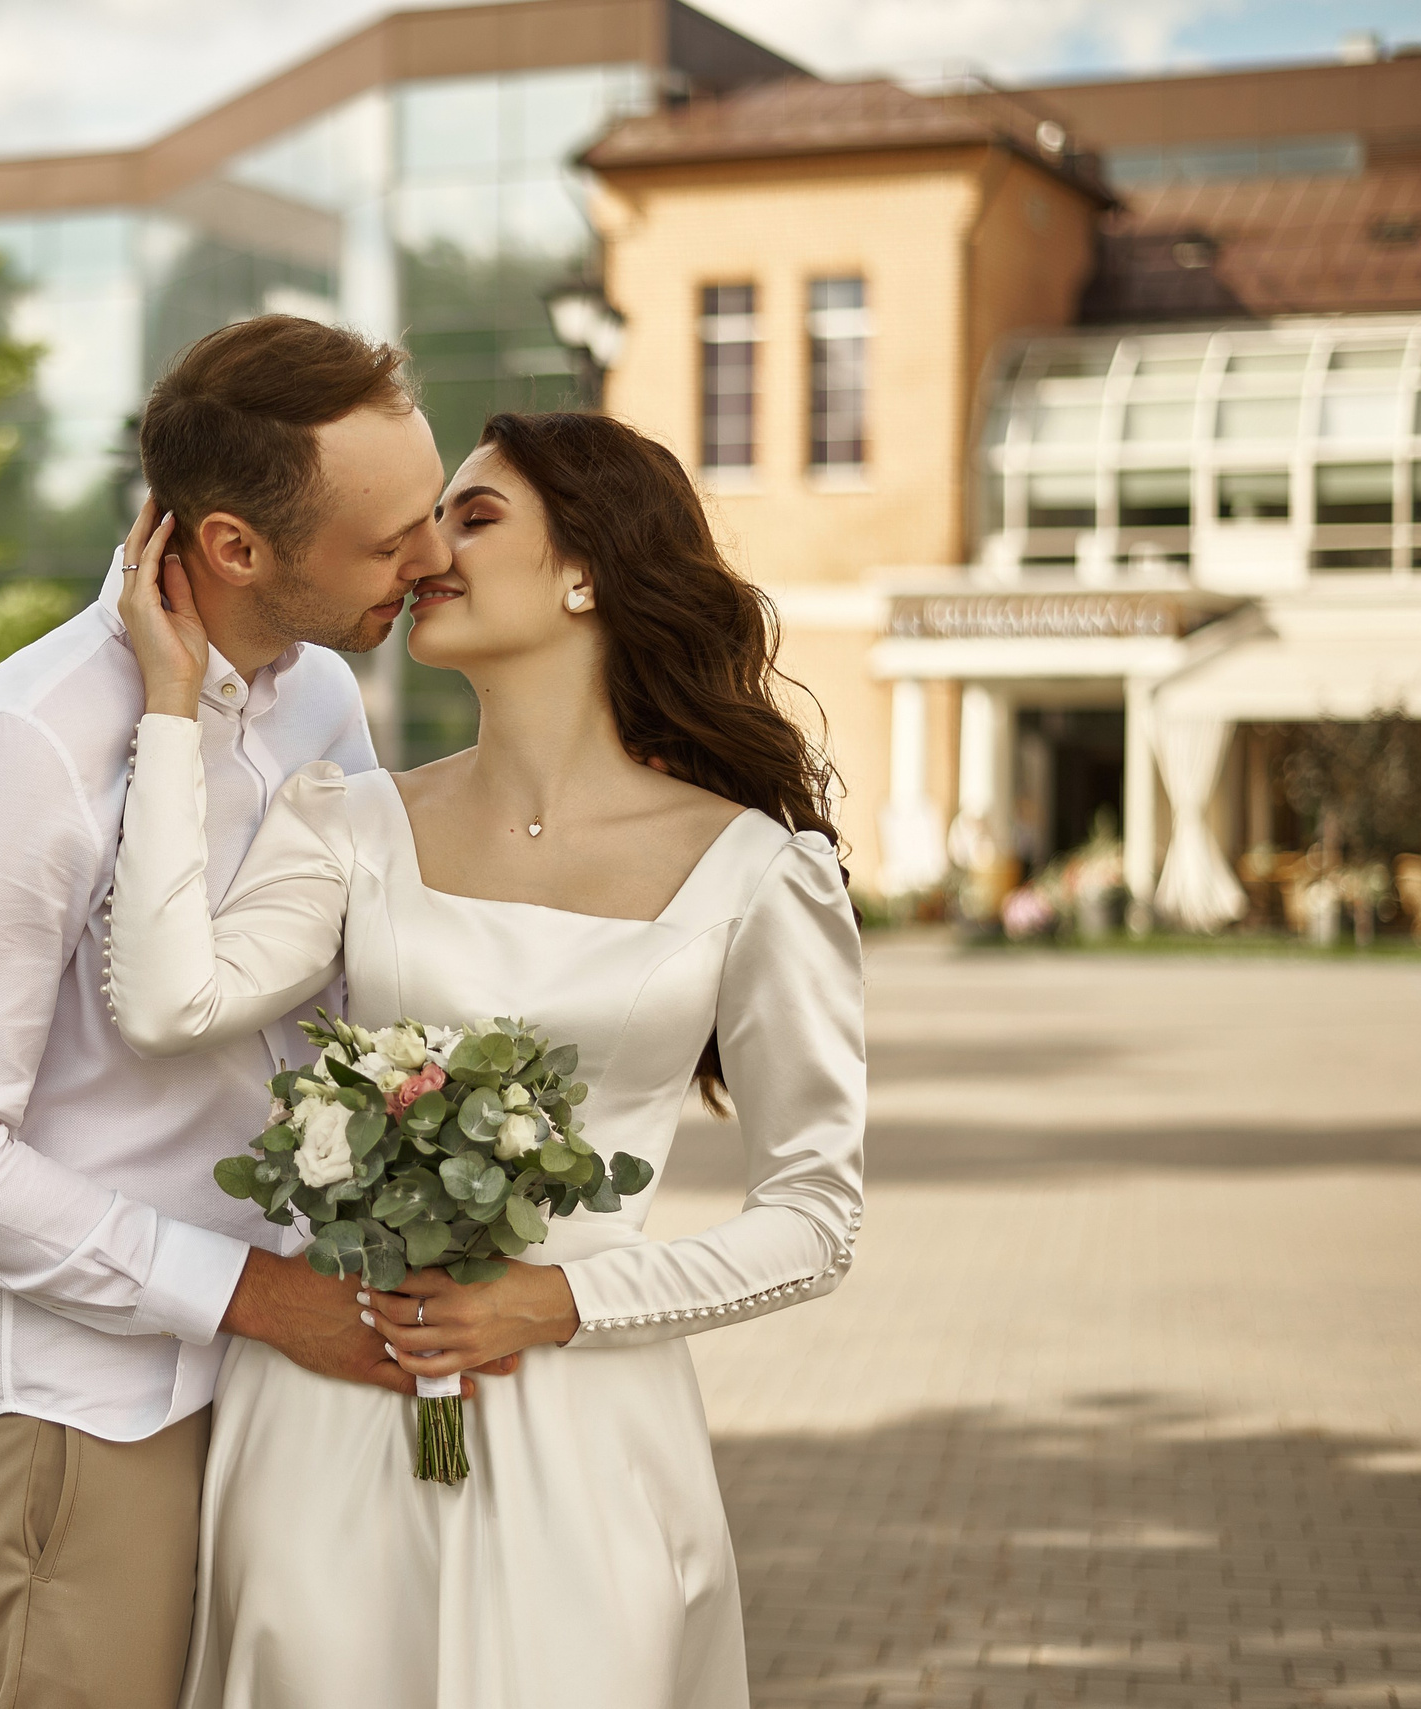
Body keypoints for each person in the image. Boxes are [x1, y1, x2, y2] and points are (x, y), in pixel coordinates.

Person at [106, 409, 867, 1708]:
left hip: (589, 1429)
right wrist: (171, 705)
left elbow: (816, 1217)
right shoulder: (349, 824)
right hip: (340, 1413)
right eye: (420, 523)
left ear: (589, 568)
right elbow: (169, 1003)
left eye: (473, 514)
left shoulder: (759, 872)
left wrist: (555, 1300)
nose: (423, 554)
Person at [0, 316, 494, 1709]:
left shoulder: (324, 695)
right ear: (235, 546)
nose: (433, 562)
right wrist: (253, 1296)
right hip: (84, 1422)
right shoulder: (22, 749)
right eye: (391, 541)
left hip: (291, 1394)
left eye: (434, 515)